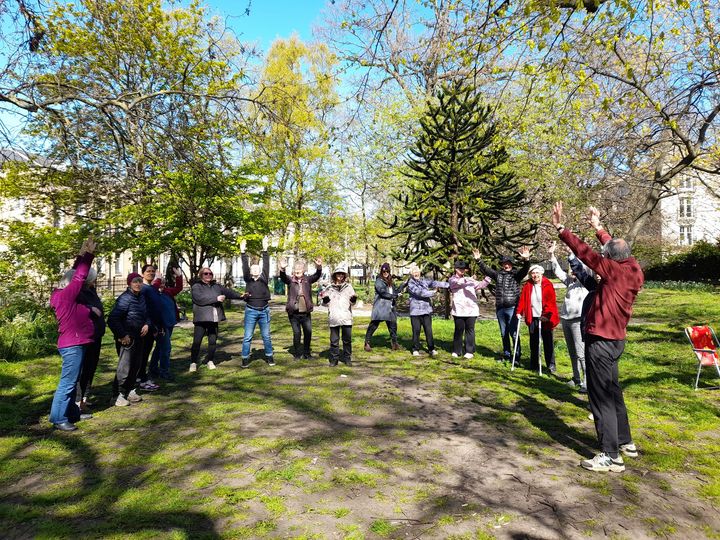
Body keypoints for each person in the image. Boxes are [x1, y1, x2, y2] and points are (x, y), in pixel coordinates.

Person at [553, 201, 643, 473]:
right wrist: (598, 227)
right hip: (616, 341)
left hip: (601, 341)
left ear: (611, 260)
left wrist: (561, 228)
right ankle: (626, 441)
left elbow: (587, 254)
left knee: (600, 395)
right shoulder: (634, 269)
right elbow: (611, 248)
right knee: (614, 392)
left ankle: (610, 455)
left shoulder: (613, 271)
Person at [48, 237, 97, 431]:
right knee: (67, 383)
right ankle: (58, 418)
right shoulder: (67, 295)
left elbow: (73, 274)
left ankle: (72, 413)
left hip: (76, 343)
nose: (86, 285)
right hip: (72, 345)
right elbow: (79, 277)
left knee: (72, 380)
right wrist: (89, 255)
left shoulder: (64, 294)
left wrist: (81, 253)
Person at [474, 247, 531, 363]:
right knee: (503, 333)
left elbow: (525, 270)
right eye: (505, 264)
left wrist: (526, 260)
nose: (506, 265)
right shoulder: (498, 275)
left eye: (508, 263)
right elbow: (487, 270)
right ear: (502, 265)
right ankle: (506, 354)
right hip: (500, 308)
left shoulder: (516, 275)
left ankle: (516, 356)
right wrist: (478, 260)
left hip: (512, 308)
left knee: (513, 333)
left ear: (511, 264)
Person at [190, 266, 247, 372]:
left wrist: (241, 296)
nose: (208, 275)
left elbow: (229, 293)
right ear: (201, 275)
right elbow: (199, 299)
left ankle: (210, 360)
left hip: (213, 318)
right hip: (201, 319)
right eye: (206, 274)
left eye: (210, 274)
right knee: (197, 342)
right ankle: (193, 362)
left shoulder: (216, 286)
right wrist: (215, 299)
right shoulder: (196, 286)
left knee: (212, 341)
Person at [549, 242, 589, 390]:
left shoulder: (585, 282)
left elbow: (582, 268)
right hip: (566, 320)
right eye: (571, 269)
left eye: (574, 269)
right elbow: (557, 271)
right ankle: (576, 378)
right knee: (572, 352)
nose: (572, 271)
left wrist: (570, 252)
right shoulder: (570, 282)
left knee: (581, 353)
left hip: (578, 320)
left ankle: (587, 381)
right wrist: (551, 255)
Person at [107, 272, 151, 407]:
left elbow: (146, 314)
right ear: (129, 283)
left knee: (135, 366)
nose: (138, 284)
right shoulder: (124, 299)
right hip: (127, 339)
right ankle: (117, 395)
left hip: (139, 337)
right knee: (124, 368)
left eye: (140, 281)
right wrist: (122, 335)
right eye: (134, 282)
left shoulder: (141, 297)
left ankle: (129, 391)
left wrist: (147, 324)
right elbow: (112, 319)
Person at [516, 264, 560, 373]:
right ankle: (534, 364)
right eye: (533, 273)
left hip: (545, 318)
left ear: (541, 274)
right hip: (533, 317)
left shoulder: (547, 284)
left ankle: (551, 364)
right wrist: (519, 311)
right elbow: (523, 300)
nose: (535, 275)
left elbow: (550, 302)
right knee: (534, 342)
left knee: (547, 342)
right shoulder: (528, 285)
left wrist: (546, 315)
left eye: (537, 273)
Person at [279, 256, 323, 360]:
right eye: (296, 269)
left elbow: (317, 275)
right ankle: (297, 354)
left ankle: (307, 353)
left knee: (308, 333)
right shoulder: (290, 280)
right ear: (293, 271)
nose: (297, 271)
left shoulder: (307, 279)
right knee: (297, 333)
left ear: (303, 270)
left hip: (305, 313)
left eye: (300, 269)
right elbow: (283, 277)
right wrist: (282, 268)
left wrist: (319, 266)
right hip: (293, 313)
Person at [240, 237, 274, 367]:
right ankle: (245, 358)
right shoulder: (248, 279)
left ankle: (269, 357)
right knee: (248, 337)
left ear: (260, 271)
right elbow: (244, 267)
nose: (255, 270)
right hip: (251, 311)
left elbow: (266, 264)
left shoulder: (264, 278)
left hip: (264, 311)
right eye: (252, 268)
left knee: (266, 336)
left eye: (257, 268)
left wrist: (265, 250)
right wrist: (243, 253)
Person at [76, 264, 105, 413]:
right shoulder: (79, 292)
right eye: (93, 279)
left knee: (91, 368)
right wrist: (90, 309)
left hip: (96, 335)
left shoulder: (91, 290)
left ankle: (85, 399)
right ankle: (77, 401)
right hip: (85, 336)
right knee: (82, 369)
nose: (95, 281)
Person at [448, 260, 491, 359]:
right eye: (460, 269)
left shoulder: (469, 279)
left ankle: (469, 350)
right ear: (455, 269)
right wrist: (470, 280)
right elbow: (458, 283)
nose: (462, 270)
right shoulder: (452, 279)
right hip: (458, 310)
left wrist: (487, 278)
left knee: (470, 330)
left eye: (463, 269)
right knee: (459, 330)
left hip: (471, 309)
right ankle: (456, 350)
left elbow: (480, 285)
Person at [405, 264, 449, 356]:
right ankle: (415, 349)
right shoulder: (410, 284)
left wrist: (448, 284)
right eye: (414, 272)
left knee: (428, 330)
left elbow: (434, 283)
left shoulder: (424, 281)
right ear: (411, 274)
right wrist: (433, 292)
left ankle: (431, 348)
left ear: (420, 272)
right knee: (416, 331)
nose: (416, 273)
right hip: (415, 311)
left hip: (426, 310)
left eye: (417, 272)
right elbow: (421, 293)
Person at [148, 267, 183, 380]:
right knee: (166, 348)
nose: (162, 284)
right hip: (161, 326)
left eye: (163, 282)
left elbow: (178, 288)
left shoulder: (167, 292)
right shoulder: (153, 293)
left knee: (160, 347)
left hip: (170, 324)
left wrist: (178, 276)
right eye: (159, 282)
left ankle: (153, 368)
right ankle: (164, 372)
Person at [364, 263, 406, 351]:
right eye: (384, 271)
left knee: (393, 326)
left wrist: (403, 284)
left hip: (390, 307)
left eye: (387, 271)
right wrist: (394, 296)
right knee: (374, 325)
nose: (385, 273)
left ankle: (395, 344)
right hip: (381, 307)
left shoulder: (390, 281)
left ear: (389, 271)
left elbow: (395, 292)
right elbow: (382, 293)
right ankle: (367, 343)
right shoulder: (379, 281)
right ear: (381, 272)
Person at [321, 266, 357, 366]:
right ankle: (334, 359)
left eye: (342, 274)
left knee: (347, 340)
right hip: (334, 317)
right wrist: (325, 300)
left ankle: (347, 358)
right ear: (335, 275)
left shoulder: (349, 287)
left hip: (346, 317)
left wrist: (353, 300)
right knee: (334, 341)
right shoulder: (329, 288)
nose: (340, 276)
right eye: (338, 274)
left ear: (344, 275)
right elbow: (324, 304)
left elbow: (353, 303)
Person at [137, 264, 161, 391]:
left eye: (153, 271)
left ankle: (142, 376)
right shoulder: (143, 289)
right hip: (145, 326)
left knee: (146, 353)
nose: (151, 273)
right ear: (142, 274)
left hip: (153, 326)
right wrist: (146, 324)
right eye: (148, 271)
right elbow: (143, 308)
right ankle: (140, 378)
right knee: (142, 353)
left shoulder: (153, 288)